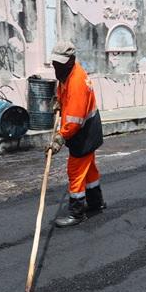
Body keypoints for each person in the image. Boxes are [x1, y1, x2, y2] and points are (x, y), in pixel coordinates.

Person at [47, 40, 106, 227]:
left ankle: (77, 213)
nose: (57, 67)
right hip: (87, 128)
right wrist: (59, 101)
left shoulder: (77, 83)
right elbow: (62, 89)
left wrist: (60, 138)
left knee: (75, 171)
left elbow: (74, 120)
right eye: (55, 63)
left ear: (71, 60)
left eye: (60, 63)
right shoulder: (67, 72)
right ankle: (96, 202)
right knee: (89, 169)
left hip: (84, 131)